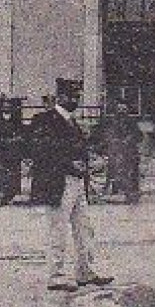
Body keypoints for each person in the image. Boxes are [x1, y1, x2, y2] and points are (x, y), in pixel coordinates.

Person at [31, 78, 111, 292]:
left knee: (84, 228)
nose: (74, 100)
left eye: (77, 96)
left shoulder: (72, 122)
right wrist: (69, 162)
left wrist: (87, 162)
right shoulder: (44, 119)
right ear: (60, 97)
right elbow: (41, 150)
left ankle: (84, 271)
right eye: (70, 96)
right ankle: (55, 275)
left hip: (76, 180)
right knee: (58, 229)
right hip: (56, 182)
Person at [102, 102, 142, 204]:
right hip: (116, 152)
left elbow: (139, 135)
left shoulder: (133, 122)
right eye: (119, 109)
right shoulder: (112, 122)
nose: (121, 112)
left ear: (127, 111)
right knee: (115, 172)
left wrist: (129, 139)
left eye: (124, 109)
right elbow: (107, 134)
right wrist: (113, 140)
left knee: (132, 174)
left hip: (130, 152)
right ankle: (115, 192)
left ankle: (132, 195)